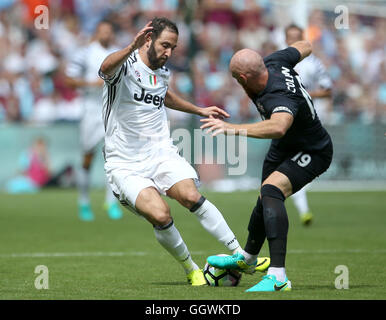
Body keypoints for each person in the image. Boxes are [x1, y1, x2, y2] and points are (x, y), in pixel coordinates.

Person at [98, 17, 270, 286]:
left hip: (161, 153)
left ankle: (240, 255)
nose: (169, 53)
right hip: (125, 163)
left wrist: (198, 109)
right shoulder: (123, 66)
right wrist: (131, 46)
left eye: (173, 48)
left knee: (191, 196)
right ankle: (191, 269)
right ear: (148, 39)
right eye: (165, 45)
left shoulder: (163, 72)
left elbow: (163, 94)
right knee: (161, 214)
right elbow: (104, 68)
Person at [201, 41, 333, 291]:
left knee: (273, 191)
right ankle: (248, 259)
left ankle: (278, 277)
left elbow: (278, 126)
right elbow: (305, 45)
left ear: (242, 77)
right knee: (265, 197)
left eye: (235, 79)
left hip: (312, 150)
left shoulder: (278, 94)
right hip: (284, 147)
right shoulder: (275, 61)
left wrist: (232, 129)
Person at [65, 21, 123, 221]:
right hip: (90, 110)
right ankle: (84, 201)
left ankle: (111, 202)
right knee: (88, 157)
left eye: (109, 31)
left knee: (113, 157)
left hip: (112, 110)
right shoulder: (85, 53)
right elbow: (69, 79)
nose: (106, 34)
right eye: (103, 31)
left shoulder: (118, 53)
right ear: (97, 33)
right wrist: (92, 83)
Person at [285, 24, 333, 226]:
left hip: (310, 119)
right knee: (293, 162)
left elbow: (328, 89)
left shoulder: (313, 62)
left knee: (295, 163)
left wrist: (305, 95)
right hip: (288, 118)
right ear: (285, 39)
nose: (294, 41)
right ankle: (302, 208)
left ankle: (295, 201)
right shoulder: (279, 60)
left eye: (298, 37)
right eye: (291, 37)